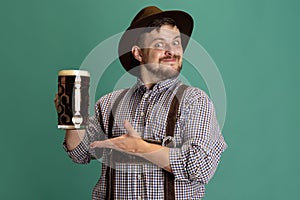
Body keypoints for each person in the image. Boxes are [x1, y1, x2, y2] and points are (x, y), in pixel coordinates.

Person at [57, 6, 227, 200]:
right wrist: (71, 117)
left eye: (176, 43)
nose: (171, 51)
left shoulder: (194, 101)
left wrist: (140, 148)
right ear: (138, 53)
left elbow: (201, 167)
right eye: (160, 44)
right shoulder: (109, 103)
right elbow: (79, 154)